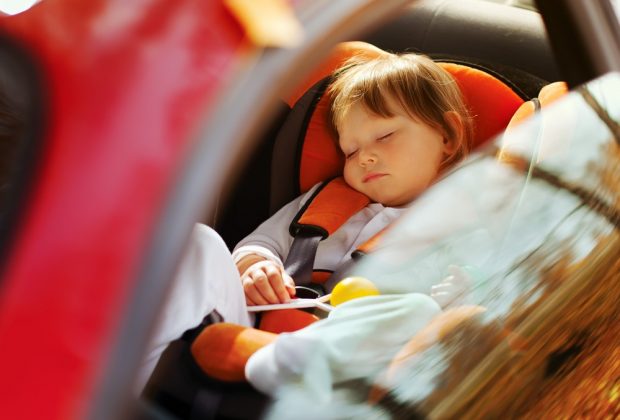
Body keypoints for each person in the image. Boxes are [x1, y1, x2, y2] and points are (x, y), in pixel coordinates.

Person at [138, 51, 473, 392]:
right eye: (350, 151)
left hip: (353, 367)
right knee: (200, 242)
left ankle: (303, 360)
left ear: (447, 135)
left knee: (419, 310)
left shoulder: (466, 225)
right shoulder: (323, 202)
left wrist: (452, 300)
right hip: (256, 334)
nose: (365, 158)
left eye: (384, 136)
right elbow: (261, 243)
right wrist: (257, 267)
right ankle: (130, 385)